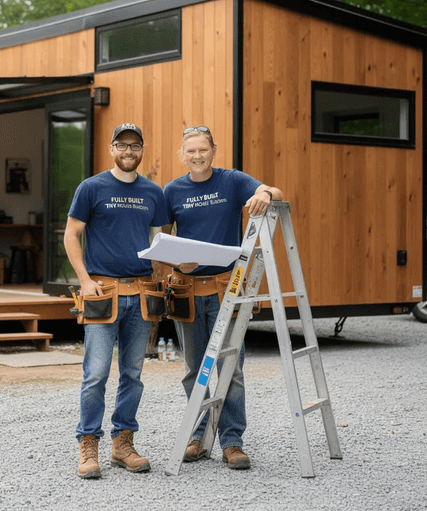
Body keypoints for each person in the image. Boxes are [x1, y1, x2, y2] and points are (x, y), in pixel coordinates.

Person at [162, 125, 282, 470]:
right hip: (187, 291)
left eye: (203, 150)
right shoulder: (172, 190)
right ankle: (198, 435)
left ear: (213, 151)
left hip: (225, 289)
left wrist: (266, 195)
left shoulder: (231, 181)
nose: (197, 156)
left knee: (231, 367)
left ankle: (232, 442)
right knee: (192, 370)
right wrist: (174, 260)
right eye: (191, 151)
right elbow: (159, 236)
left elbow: (273, 189)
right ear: (181, 155)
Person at [64, 122, 169, 479]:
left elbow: (160, 244)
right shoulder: (91, 188)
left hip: (141, 293)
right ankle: (88, 444)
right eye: (122, 146)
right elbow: (71, 235)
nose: (128, 152)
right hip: (102, 293)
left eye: (135, 146)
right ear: (112, 149)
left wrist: (167, 273)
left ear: (142, 150)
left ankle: (123, 444)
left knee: (133, 374)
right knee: (95, 374)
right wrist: (84, 280)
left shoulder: (154, 192)